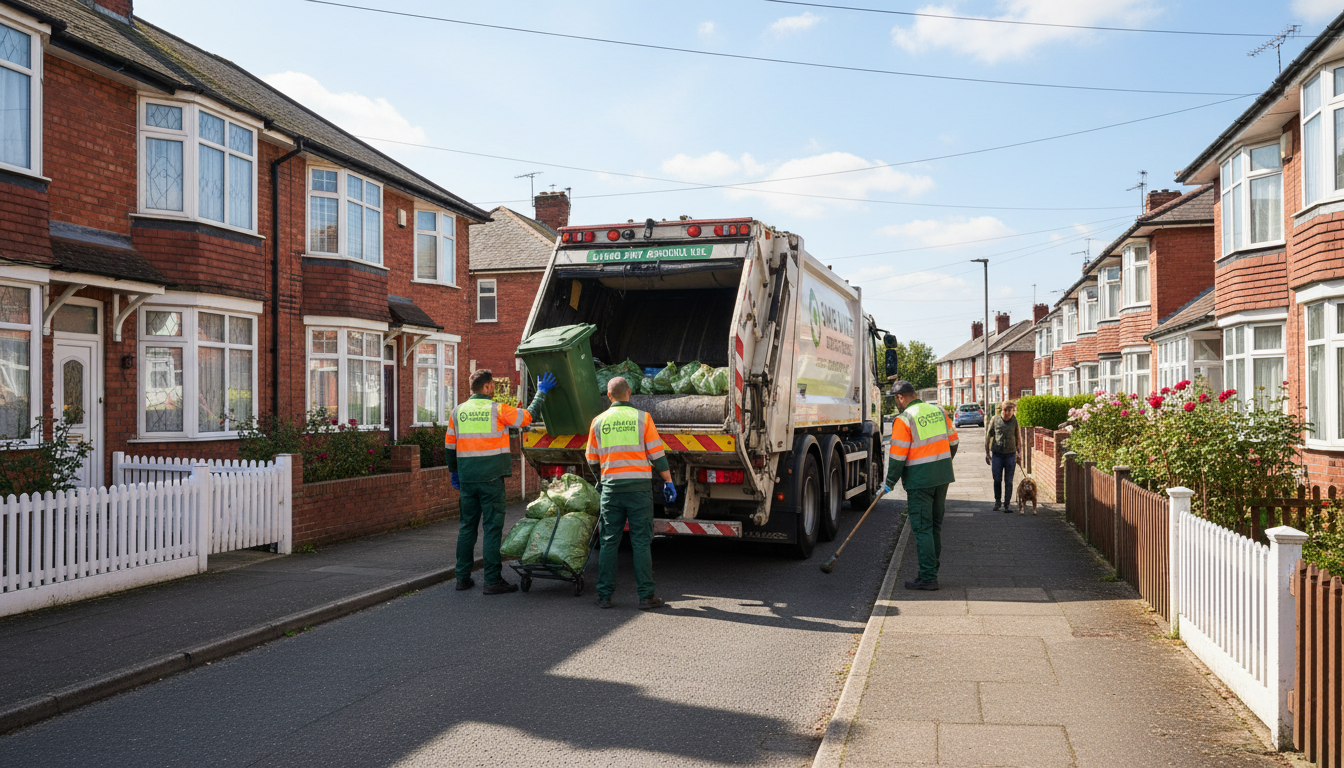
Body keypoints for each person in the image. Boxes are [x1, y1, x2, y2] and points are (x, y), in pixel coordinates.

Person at [445, 368, 557, 594]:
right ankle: (492, 580)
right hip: (492, 479)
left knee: (467, 527)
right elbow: (528, 417)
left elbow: (450, 446)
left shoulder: (458, 412)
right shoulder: (497, 410)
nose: (494, 389)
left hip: (467, 480)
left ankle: (462, 578)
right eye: (493, 385)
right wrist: (541, 392)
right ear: (486, 387)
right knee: (492, 529)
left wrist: (454, 472)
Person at [585, 376, 677, 610]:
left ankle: (604, 596)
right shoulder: (643, 418)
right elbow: (657, 454)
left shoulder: (598, 421)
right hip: (638, 491)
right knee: (641, 542)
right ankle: (646, 596)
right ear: (629, 393)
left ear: (609, 396)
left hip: (611, 489)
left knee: (608, 542)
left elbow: (591, 458)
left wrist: (602, 478)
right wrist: (668, 481)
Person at [883, 380, 958, 591]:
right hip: (942, 477)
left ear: (901, 397)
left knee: (923, 529)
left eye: (895, 400)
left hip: (920, 481)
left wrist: (889, 483)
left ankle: (928, 577)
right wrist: (942, 463)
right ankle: (929, 571)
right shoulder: (938, 412)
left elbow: (897, 456)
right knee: (934, 526)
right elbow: (953, 441)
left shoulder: (904, 419)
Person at [985, 400, 1020, 512]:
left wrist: (1019, 453)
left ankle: (1007, 504)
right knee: (997, 479)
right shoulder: (995, 420)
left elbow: (1018, 436)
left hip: (1010, 454)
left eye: (1011, 411)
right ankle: (997, 502)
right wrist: (987, 453)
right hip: (997, 454)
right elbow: (988, 436)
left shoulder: (1014, 420)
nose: (1009, 414)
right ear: (1003, 410)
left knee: (1009, 481)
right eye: (1007, 411)